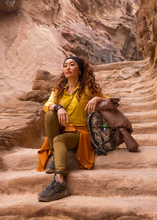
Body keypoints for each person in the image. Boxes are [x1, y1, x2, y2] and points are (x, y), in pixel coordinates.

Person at [37, 56, 109, 202]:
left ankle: (59, 181)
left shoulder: (89, 89)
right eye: (65, 65)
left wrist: (97, 99)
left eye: (72, 65)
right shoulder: (58, 90)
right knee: (50, 114)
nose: (67, 68)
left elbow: (111, 101)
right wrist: (58, 107)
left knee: (59, 139)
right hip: (65, 129)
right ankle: (56, 153)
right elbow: (47, 105)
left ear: (80, 70)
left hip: (81, 133)